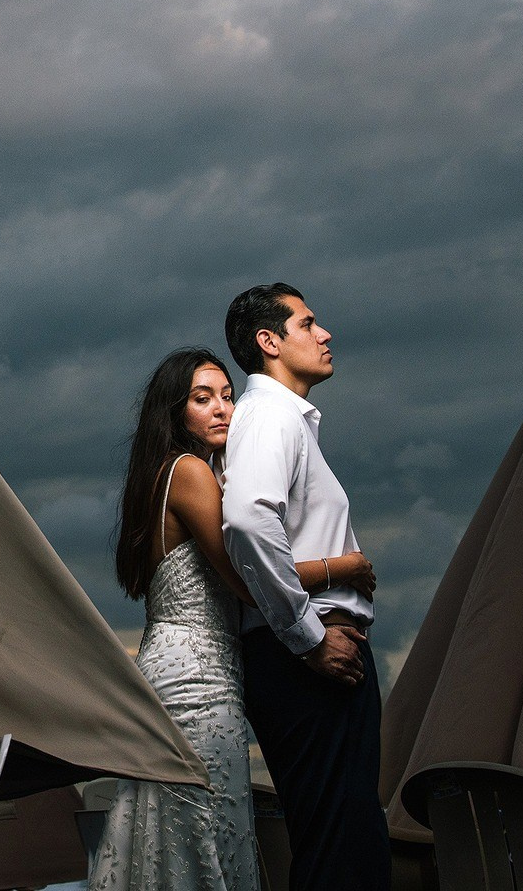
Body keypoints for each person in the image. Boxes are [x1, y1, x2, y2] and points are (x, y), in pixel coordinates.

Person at [90, 347, 376, 891]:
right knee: (206, 829)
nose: (224, 409)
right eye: (203, 399)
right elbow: (246, 579)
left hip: (176, 664)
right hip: (197, 676)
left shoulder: (161, 477)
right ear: (175, 414)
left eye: (228, 395)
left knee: (176, 833)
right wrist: (345, 566)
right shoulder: (191, 472)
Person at [220, 284, 391, 891]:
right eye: (308, 323)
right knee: (338, 848)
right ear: (269, 342)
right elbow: (245, 518)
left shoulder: (287, 422)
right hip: (308, 663)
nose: (325, 334)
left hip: (313, 658)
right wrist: (308, 637)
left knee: (345, 841)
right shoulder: (269, 417)